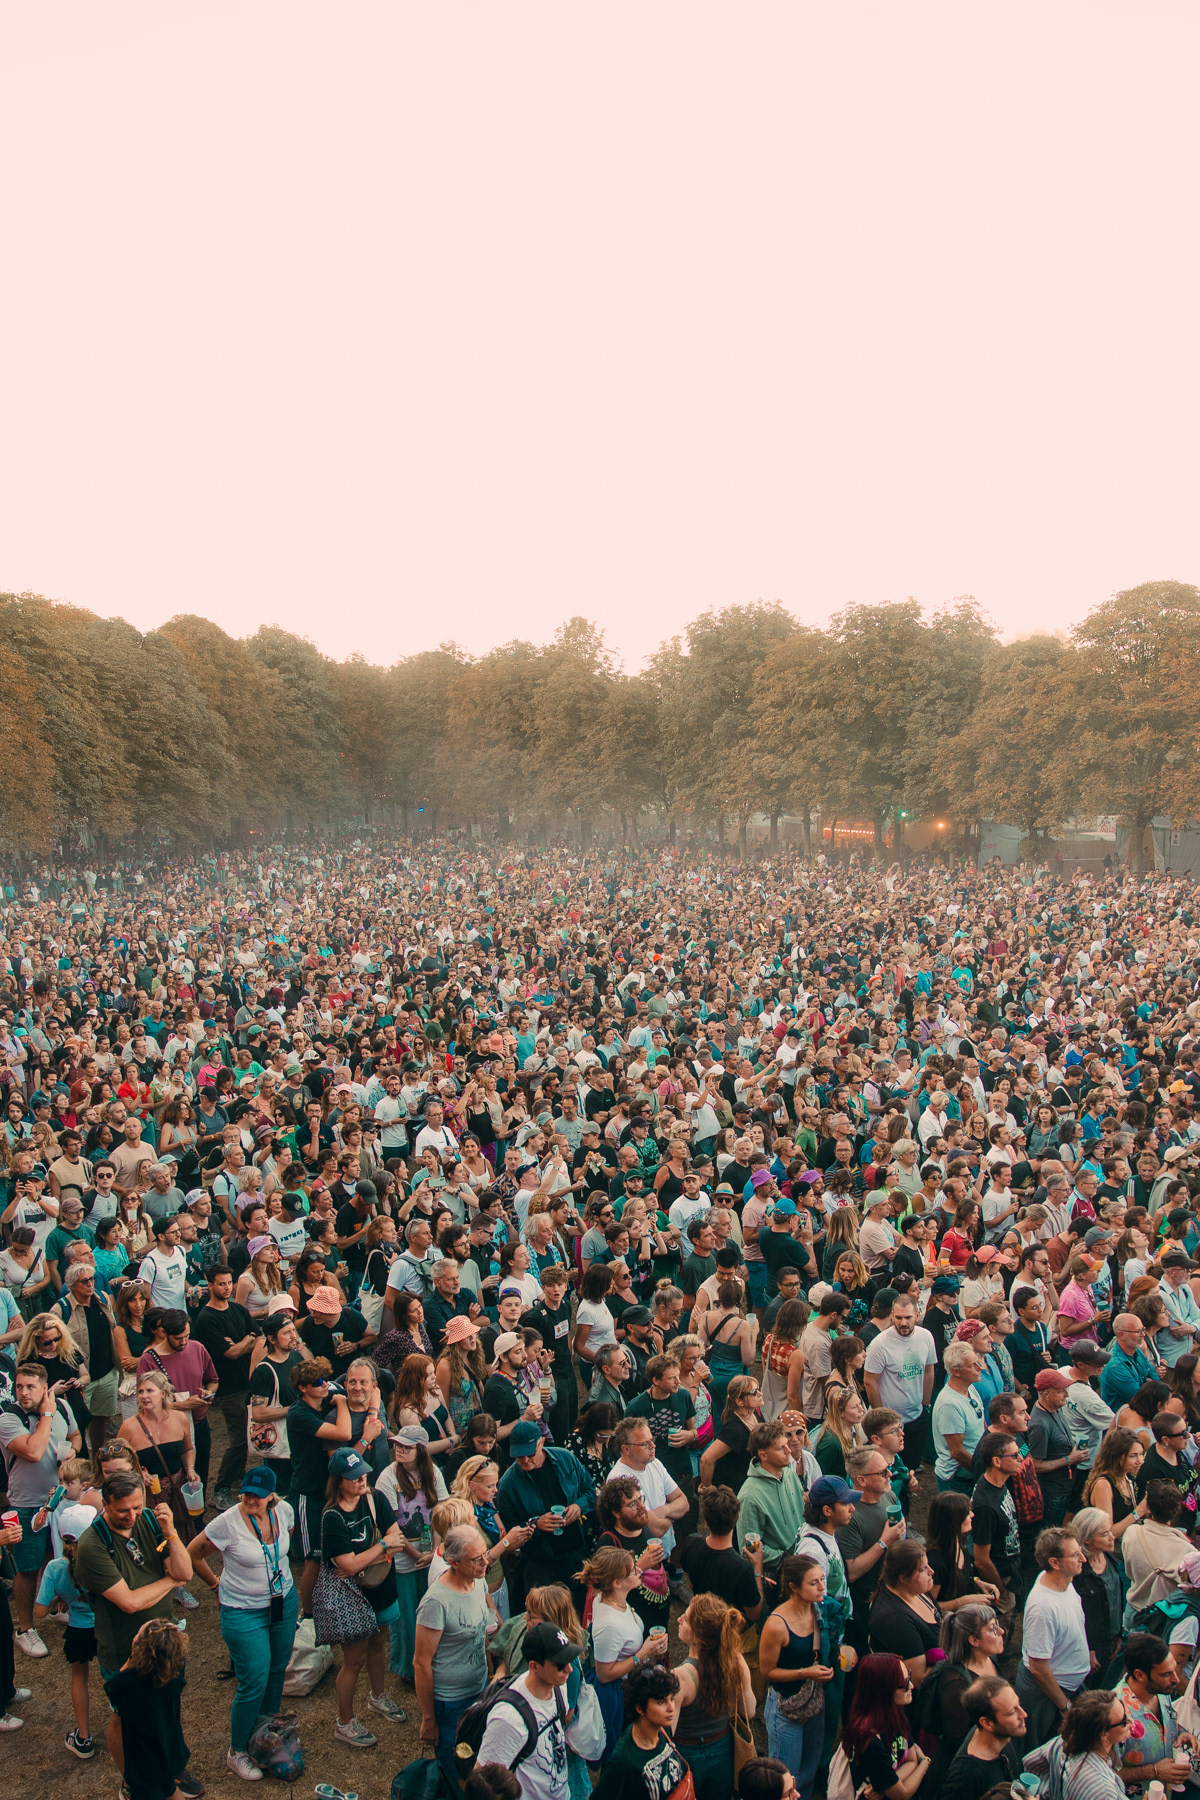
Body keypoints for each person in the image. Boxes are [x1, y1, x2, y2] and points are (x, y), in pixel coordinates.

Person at [73, 1468, 195, 1784]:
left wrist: (170, 1532)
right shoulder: (92, 1545)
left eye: (137, 1507)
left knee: (167, 1709)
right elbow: (129, 1602)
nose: (132, 1515)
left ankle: (170, 1771)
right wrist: (170, 1580)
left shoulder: (149, 1521)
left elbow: (186, 1572)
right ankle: (133, 1783)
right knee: (126, 1718)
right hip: (124, 1650)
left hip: (164, 1642)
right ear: (105, 1502)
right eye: (123, 1510)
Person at [185, 1465, 301, 1781]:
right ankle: (237, 1751)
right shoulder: (227, 1524)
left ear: (272, 1497)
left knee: (278, 1668)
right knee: (255, 1678)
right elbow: (193, 1554)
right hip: (243, 1611)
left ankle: (267, 1734)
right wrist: (214, 1585)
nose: (251, 1500)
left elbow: (284, 1544)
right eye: (247, 1494)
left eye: (258, 1496)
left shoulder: (285, 1511)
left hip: (282, 1602)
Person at [318, 1443, 407, 1747]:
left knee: (379, 1643)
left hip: (380, 1588)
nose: (361, 1480)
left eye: (363, 1474)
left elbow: (397, 1542)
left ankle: (378, 1697)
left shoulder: (375, 1499)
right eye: (353, 1477)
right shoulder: (332, 1518)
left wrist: (367, 1559)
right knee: (353, 1661)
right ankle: (344, 1722)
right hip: (352, 1599)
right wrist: (381, 1549)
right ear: (338, 1480)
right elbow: (349, 1564)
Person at [0, 1356, 82, 1655]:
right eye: (19, 1386)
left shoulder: (61, 1406)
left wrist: (72, 1449)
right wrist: (46, 1415)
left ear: (44, 1387)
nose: (23, 1392)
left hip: (59, 1500)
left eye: (31, 1387)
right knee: (28, 1566)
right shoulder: (9, 1419)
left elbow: (75, 1434)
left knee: (57, 1558)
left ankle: (56, 1605)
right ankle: (24, 1628)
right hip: (27, 1505)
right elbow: (33, 1452)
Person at [414, 1522, 493, 1773]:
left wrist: (489, 1674)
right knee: (457, 1771)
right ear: (454, 1562)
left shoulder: (478, 1581)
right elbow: (421, 1663)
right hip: (450, 1703)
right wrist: (429, 1720)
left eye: (484, 1555)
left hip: (479, 1692)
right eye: (476, 1559)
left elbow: (482, 1633)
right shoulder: (436, 1602)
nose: (485, 1563)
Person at [476, 1617, 580, 1800]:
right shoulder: (508, 1719)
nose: (569, 1670)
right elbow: (484, 1785)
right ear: (534, 1666)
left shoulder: (558, 1687)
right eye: (560, 1664)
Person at [495, 1419, 595, 1610]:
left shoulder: (565, 1459)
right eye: (518, 1456)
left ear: (541, 1443)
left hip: (574, 1553)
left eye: (530, 1454)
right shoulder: (508, 1485)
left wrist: (579, 1506)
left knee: (579, 1610)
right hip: (539, 1563)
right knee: (546, 1616)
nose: (525, 1460)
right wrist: (535, 1524)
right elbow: (507, 1532)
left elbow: (590, 1490)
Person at [757, 1553, 831, 1800]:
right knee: (785, 1775)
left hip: (813, 1702)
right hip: (784, 1709)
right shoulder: (777, 1624)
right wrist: (805, 1672)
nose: (823, 1587)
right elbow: (767, 1671)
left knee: (809, 1766)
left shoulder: (820, 1610)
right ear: (793, 1587)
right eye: (814, 1583)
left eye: (822, 1579)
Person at [669, 1592, 756, 1800]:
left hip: (687, 1755)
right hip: (723, 1751)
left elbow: (666, 1736)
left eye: (687, 1618)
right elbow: (749, 1711)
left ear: (698, 1636)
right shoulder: (734, 1662)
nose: (679, 1619)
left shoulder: (681, 1677)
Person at [285, 1355, 353, 1613]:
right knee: (312, 1558)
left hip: (329, 1490)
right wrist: (342, 1402)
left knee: (332, 1552)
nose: (325, 1385)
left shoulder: (325, 1395)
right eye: (318, 1382)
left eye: (325, 1378)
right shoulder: (299, 1414)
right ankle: (309, 1614)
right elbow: (343, 1434)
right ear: (303, 1388)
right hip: (307, 1493)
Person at [1013, 1525, 1091, 1751]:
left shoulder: (1063, 1583)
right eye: (1075, 1555)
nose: (1083, 1559)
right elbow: (1038, 1667)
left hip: (1066, 1687)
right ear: (1055, 1563)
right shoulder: (1042, 1608)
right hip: (1045, 1696)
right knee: (1039, 1752)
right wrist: (1064, 1706)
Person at [581, 1544, 660, 1761]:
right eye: (633, 1571)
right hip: (623, 1696)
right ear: (616, 1583)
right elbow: (604, 1674)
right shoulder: (609, 1626)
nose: (639, 1571)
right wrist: (641, 1655)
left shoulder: (610, 1599)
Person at [33, 1499, 99, 1759]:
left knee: (79, 1678)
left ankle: (83, 1737)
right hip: (105, 1628)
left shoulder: (54, 1568)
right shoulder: (102, 1560)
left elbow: (40, 1611)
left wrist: (61, 1597)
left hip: (78, 1630)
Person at [106, 1618, 194, 1800]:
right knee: (170, 1788)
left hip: (143, 1763)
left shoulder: (123, 1684)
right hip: (169, 1750)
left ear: (136, 1645)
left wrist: (132, 1656)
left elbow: (116, 1684)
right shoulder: (176, 1673)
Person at [862, 1292, 936, 1479]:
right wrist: (881, 1417)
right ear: (892, 1315)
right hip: (889, 1424)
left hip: (917, 1416)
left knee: (910, 1468)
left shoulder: (926, 1336)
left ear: (917, 1316)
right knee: (888, 1471)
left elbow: (929, 1370)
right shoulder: (880, 1344)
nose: (903, 1323)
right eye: (899, 1317)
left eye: (908, 1318)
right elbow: (870, 1381)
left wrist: (926, 1404)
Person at [1113, 1630, 1200, 1789]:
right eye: (1166, 1674)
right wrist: (1153, 1771)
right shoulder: (1114, 1714)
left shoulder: (1160, 1690)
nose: (1176, 1679)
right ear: (1140, 1675)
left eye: (1175, 1669)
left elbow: (1159, 1726)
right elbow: (1105, 1773)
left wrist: (1181, 1733)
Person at [591, 1662, 689, 1800]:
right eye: (661, 1702)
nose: (671, 1708)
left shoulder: (663, 1729)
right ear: (640, 1708)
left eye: (672, 1699)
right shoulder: (621, 1761)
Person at [841, 1650, 932, 1798]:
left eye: (908, 1676)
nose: (911, 1686)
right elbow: (902, 1795)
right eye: (903, 1683)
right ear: (883, 1690)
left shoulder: (895, 1716)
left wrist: (885, 1786)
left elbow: (911, 1759)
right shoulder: (870, 1743)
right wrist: (925, 1763)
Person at [681, 1484, 763, 1626]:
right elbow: (754, 1614)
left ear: (706, 1522)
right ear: (737, 1518)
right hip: (732, 1633)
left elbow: (692, 1585)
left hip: (703, 1624)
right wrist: (758, 1568)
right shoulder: (742, 1568)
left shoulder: (691, 1543)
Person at [937, 1676, 1025, 1800]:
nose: (1023, 1714)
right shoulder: (965, 1775)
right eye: (1012, 1712)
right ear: (987, 1723)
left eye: (1019, 1704)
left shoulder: (1005, 1734)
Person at [736, 1419, 808, 1569]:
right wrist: (786, 1559)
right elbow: (750, 1550)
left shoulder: (789, 1474)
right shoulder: (749, 1496)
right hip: (781, 1573)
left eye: (786, 1445)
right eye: (781, 1448)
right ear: (763, 1455)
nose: (788, 1451)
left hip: (805, 1560)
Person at [868, 1541, 942, 1687]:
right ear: (903, 1578)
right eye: (922, 1569)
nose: (931, 1571)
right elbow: (918, 1678)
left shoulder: (916, 1591)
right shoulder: (896, 1620)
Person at [1026, 1368, 1089, 1527]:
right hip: (1052, 1493)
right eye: (1061, 1391)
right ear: (1046, 1394)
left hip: (1063, 1487)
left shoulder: (1055, 1408)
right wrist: (1069, 1459)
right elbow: (1035, 1466)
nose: (1067, 1394)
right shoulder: (1039, 1426)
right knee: (1050, 1533)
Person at [968, 1431, 1022, 1613]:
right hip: (999, 1574)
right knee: (1003, 1620)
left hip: (1010, 1566)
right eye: (1014, 1455)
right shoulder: (985, 1505)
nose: (1020, 1458)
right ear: (997, 1461)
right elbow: (981, 1560)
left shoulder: (1000, 1483)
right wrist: (1002, 1591)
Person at [1069, 1507, 1122, 1686]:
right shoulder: (1078, 1574)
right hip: (1089, 1648)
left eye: (1110, 1531)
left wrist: (1117, 1635)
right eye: (1104, 1533)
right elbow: (1077, 1616)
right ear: (1087, 1540)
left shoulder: (1110, 1559)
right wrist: (1088, 1650)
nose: (1112, 1537)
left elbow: (1115, 1598)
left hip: (1110, 1642)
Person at [932, 1341, 986, 1494]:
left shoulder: (970, 1388)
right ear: (956, 1371)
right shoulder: (950, 1404)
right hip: (958, 1480)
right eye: (972, 1365)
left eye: (978, 1363)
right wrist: (983, 1471)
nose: (979, 1368)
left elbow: (982, 1422)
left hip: (972, 1469)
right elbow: (957, 1452)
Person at [698, 1373, 762, 1495]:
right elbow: (706, 1459)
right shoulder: (735, 1429)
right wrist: (708, 1488)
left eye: (758, 1389)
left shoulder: (755, 1413)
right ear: (740, 1402)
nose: (760, 1394)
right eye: (754, 1392)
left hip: (749, 1485)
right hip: (733, 1491)